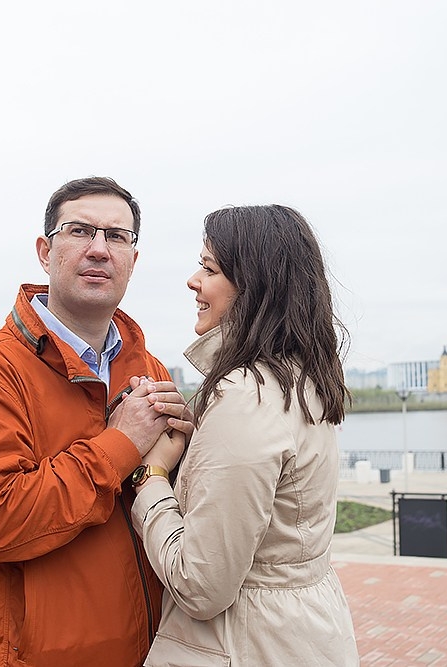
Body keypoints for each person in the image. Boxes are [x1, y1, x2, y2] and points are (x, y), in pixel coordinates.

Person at [0, 176, 193, 667]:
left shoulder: (149, 370)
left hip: (156, 652)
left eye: (117, 237)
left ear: (133, 262)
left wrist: (179, 454)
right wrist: (120, 444)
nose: (99, 249)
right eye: (80, 231)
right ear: (43, 250)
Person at [130, 205, 360, 666]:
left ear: (253, 287)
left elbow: (202, 585)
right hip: (302, 633)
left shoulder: (245, 396)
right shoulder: (303, 378)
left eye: (209, 268)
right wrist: (199, 440)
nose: (193, 280)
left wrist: (150, 477)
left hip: (247, 643)